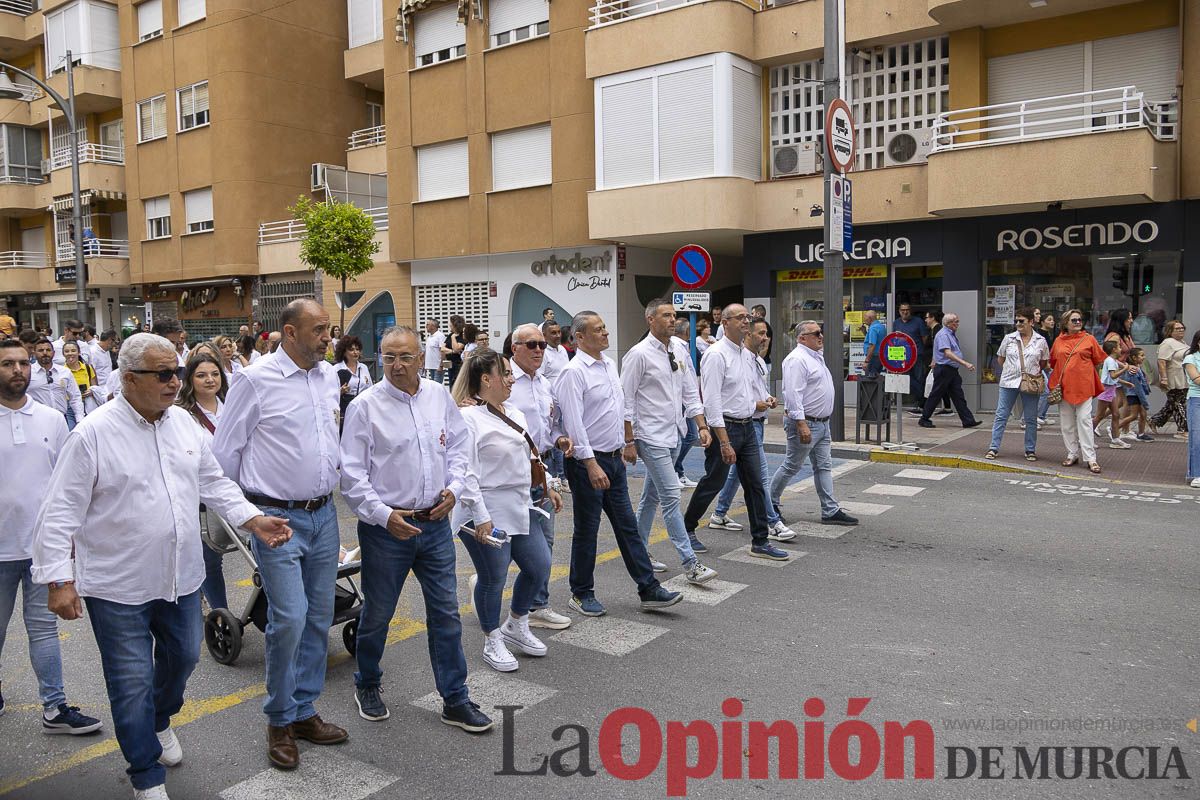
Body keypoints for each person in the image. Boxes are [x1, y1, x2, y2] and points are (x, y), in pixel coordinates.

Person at [32, 333, 291, 799]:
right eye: (164, 374)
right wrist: (58, 580)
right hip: (117, 587)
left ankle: (158, 719)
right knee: (130, 682)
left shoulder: (184, 425)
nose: (176, 381)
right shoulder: (92, 434)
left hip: (180, 578)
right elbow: (59, 512)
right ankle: (146, 775)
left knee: (185, 657)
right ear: (129, 379)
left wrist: (253, 519)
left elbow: (215, 482)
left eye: (178, 372)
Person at [213, 299, 350, 771]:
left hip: (324, 514)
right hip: (276, 519)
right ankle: (278, 720)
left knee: (319, 616)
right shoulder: (254, 380)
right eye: (319, 330)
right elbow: (224, 455)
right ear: (289, 333)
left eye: (328, 329)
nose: (328, 338)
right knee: (289, 618)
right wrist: (248, 516)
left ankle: (304, 711)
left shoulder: (327, 376)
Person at [339, 326, 494, 732]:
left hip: (436, 525)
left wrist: (455, 489)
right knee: (378, 614)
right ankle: (367, 683)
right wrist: (382, 514)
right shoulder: (365, 407)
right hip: (386, 529)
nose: (397, 365)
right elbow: (352, 476)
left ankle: (455, 698)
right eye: (388, 357)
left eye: (405, 356)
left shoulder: (438, 396)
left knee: (446, 614)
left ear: (421, 358)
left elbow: (458, 448)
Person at [0, 339, 102, 736]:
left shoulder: (52, 419)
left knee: (43, 630)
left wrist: (70, 541)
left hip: (42, 551)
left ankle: (55, 707)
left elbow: (67, 486)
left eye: (22, 363)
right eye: (7, 364)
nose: (18, 370)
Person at [555, 311, 683, 616]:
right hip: (589, 463)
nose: (605, 333)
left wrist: (626, 442)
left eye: (604, 328)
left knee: (627, 527)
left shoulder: (609, 364)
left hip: (613, 460)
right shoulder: (573, 372)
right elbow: (574, 424)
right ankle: (581, 592)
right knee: (587, 530)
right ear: (580, 337)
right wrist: (590, 464)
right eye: (598, 330)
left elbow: (619, 407)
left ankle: (649, 588)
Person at [451, 349, 557, 672]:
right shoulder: (468, 418)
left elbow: (529, 457)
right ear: (486, 379)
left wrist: (549, 483)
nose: (512, 380)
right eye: (506, 373)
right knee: (494, 575)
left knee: (539, 566)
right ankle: (492, 638)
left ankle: (516, 623)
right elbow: (466, 472)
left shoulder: (515, 413)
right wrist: (481, 517)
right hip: (483, 508)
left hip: (518, 504)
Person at [682, 304, 790, 561]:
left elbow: (749, 388)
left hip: (748, 426)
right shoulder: (716, 355)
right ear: (725, 323)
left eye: (747, 317)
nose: (746, 321)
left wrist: (765, 397)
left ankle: (760, 541)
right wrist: (723, 441)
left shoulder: (746, 354)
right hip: (726, 427)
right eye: (740, 317)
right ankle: (687, 527)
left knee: (755, 484)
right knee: (714, 481)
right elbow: (712, 401)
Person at [622, 299, 718, 583]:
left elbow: (690, 390)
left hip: (675, 433)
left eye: (674, 315)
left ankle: (638, 551)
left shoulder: (678, 348)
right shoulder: (638, 354)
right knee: (671, 495)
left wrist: (701, 425)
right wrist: (629, 440)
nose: (672, 320)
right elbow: (625, 400)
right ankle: (690, 563)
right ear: (650, 319)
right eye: (666, 315)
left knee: (651, 496)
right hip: (649, 435)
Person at [508, 323, 573, 629]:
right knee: (509, 541)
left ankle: (537, 605)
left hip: (542, 470)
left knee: (544, 542)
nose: (538, 350)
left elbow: (552, 424)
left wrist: (559, 439)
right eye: (531, 344)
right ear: (514, 348)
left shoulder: (545, 383)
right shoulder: (503, 379)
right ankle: (486, 580)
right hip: (512, 472)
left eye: (542, 345)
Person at [710, 318, 797, 540]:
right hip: (745, 424)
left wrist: (767, 398)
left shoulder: (757, 360)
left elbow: (758, 388)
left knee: (737, 475)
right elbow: (733, 394)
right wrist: (754, 404)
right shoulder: (738, 358)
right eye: (761, 333)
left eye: (766, 334)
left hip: (756, 422)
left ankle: (719, 513)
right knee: (759, 476)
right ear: (748, 334)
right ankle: (772, 522)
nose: (765, 338)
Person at [768, 321, 859, 528]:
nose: (821, 336)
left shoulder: (815, 356)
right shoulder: (797, 359)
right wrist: (801, 424)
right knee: (792, 465)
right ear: (802, 338)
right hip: (806, 422)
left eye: (821, 332)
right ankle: (770, 505)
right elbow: (793, 394)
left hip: (821, 423)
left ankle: (830, 510)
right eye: (816, 333)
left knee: (824, 466)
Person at [176, 352, 230, 612]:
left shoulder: (231, 406)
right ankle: (221, 613)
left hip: (235, 488)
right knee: (210, 556)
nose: (210, 380)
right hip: (201, 495)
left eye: (214, 374)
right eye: (201, 375)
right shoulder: (182, 415)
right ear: (190, 380)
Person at [985, 307, 1049, 462]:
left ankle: (1030, 450)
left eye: (1021, 321)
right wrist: (1012, 370)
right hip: (1009, 382)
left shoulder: (1040, 341)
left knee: (1031, 418)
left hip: (1030, 382)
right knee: (1001, 415)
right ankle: (993, 448)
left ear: (1031, 322)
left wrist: (1029, 372)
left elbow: (1043, 362)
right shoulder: (1009, 338)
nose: (1018, 324)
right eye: (1016, 321)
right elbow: (1001, 359)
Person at [1048, 309, 1106, 474]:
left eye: (1080, 319)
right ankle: (1072, 453)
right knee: (1067, 423)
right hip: (1063, 386)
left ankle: (1090, 458)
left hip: (1083, 386)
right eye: (1074, 320)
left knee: (1084, 420)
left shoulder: (1089, 339)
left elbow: (1098, 361)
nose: (1078, 322)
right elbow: (1053, 362)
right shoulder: (1058, 341)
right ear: (1065, 323)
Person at [918, 313, 981, 429]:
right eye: (955, 322)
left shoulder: (950, 334)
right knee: (936, 394)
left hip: (951, 370)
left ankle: (968, 420)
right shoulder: (944, 335)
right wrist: (965, 363)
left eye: (957, 321)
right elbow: (947, 353)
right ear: (948, 323)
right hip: (944, 369)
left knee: (958, 395)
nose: (957, 324)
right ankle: (924, 418)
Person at [28, 338, 85, 430]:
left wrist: (80, 420)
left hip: (61, 420)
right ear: (34, 353)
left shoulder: (65, 372)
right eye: (41, 350)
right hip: (37, 422)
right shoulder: (28, 373)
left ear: (53, 353)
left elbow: (75, 397)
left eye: (48, 350)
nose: (45, 353)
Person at [671, 318, 700, 487]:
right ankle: (673, 470)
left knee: (688, 436)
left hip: (687, 398)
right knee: (689, 436)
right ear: (687, 331)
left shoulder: (683, 346)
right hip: (681, 399)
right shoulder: (677, 346)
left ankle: (678, 471)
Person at [1151, 321, 1189, 439]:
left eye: (1182, 328)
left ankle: (1154, 421)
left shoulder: (1182, 343)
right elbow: (1161, 361)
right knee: (1179, 403)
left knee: (1173, 403)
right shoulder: (1167, 343)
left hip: (1183, 377)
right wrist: (1164, 378)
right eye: (1177, 328)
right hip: (1173, 377)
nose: (1181, 330)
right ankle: (1182, 430)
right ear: (1170, 331)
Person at [1093, 340, 1132, 450]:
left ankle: (1115, 439)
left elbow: (1112, 378)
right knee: (1099, 416)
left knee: (1116, 414)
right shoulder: (1110, 361)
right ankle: (1085, 438)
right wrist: (1125, 369)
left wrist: (1125, 383)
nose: (1121, 349)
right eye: (1119, 347)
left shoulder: (1112, 360)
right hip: (1106, 390)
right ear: (1114, 350)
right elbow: (1113, 375)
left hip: (1111, 389)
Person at [893, 303, 929, 411]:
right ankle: (922, 400)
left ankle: (921, 404)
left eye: (907, 310)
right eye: (902, 310)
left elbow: (924, 337)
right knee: (907, 378)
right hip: (902, 356)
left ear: (910, 311)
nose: (905, 312)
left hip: (917, 355)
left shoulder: (918, 321)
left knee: (919, 378)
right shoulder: (896, 323)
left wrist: (917, 348)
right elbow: (895, 338)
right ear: (899, 311)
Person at [333, 335, 372, 431]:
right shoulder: (336, 369)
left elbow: (370, 388)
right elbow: (329, 395)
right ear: (344, 352)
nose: (355, 352)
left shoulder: (364, 367)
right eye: (351, 350)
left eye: (357, 349)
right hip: (345, 411)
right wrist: (340, 391)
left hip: (362, 410)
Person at [1118, 348, 1154, 443]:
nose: (1144, 357)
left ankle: (1141, 434)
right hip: (1135, 395)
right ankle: (1114, 428)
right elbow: (1137, 387)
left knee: (1143, 414)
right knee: (1134, 415)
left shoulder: (1137, 368)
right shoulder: (1134, 370)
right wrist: (1144, 400)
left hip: (1137, 394)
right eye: (1141, 355)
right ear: (1134, 358)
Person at [923, 311, 952, 415]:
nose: (925, 320)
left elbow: (938, 347)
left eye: (927, 317)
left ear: (933, 318)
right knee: (941, 384)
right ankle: (947, 408)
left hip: (936, 362)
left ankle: (924, 408)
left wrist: (934, 360)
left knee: (936, 385)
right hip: (934, 361)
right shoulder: (933, 330)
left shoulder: (937, 330)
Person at [62, 341, 100, 417]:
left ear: (79, 352)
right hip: (70, 407)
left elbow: (95, 387)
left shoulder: (88, 368)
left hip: (88, 404)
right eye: (67, 351)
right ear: (63, 354)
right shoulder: (62, 371)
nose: (70, 353)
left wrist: (91, 391)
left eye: (73, 351)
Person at [1182, 331, 1200, 488]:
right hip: (1196, 399)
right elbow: (1197, 379)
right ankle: (1196, 474)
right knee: (1196, 437)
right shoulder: (1190, 358)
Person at [444, 315, 467, 389]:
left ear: (455, 324)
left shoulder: (462, 336)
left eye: (450, 323)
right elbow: (442, 348)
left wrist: (453, 337)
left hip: (459, 364)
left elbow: (457, 348)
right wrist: (452, 351)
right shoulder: (450, 335)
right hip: (451, 364)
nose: (449, 325)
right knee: (451, 383)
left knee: (457, 384)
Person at [861, 310, 887, 378]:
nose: (864, 320)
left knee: (870, 380)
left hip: (873, 358)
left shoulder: (873, 328)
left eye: (865, 318)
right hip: (879, 357)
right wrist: (865, 332)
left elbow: (872, 345)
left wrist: (866, 361)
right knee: (876, 378)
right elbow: (877, 340)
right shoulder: (881, 326)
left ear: (870, 318)